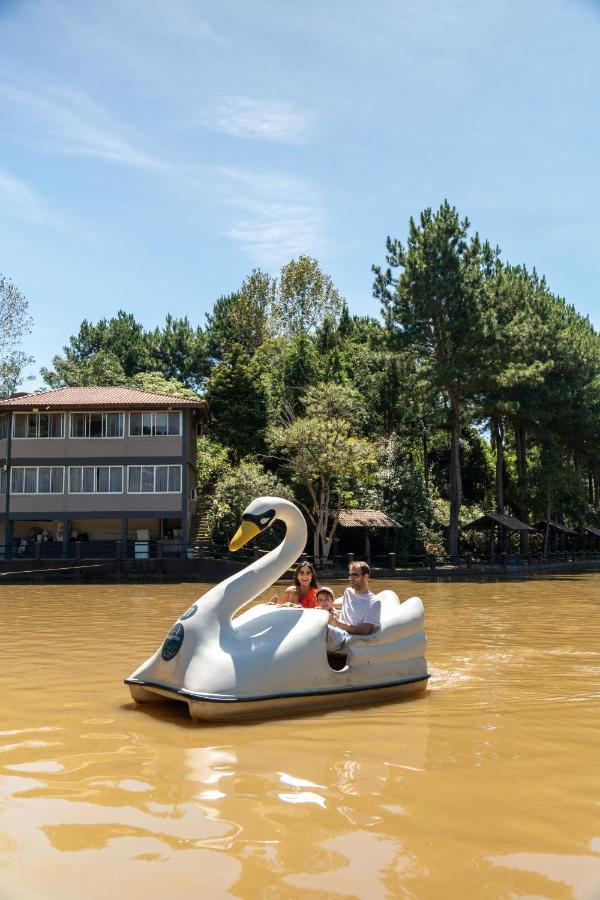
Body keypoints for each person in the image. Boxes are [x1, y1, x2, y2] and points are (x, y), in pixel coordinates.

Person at [326, 561, 380, 652]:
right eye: (350, 575)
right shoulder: (348, 591)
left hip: (346, 636)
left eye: (355, 575)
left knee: (319, 629)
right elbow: (340, 604)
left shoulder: (374, 602)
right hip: (336, 630)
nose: (351, 578)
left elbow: (365, 631)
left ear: (365, 577)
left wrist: (339, 623)